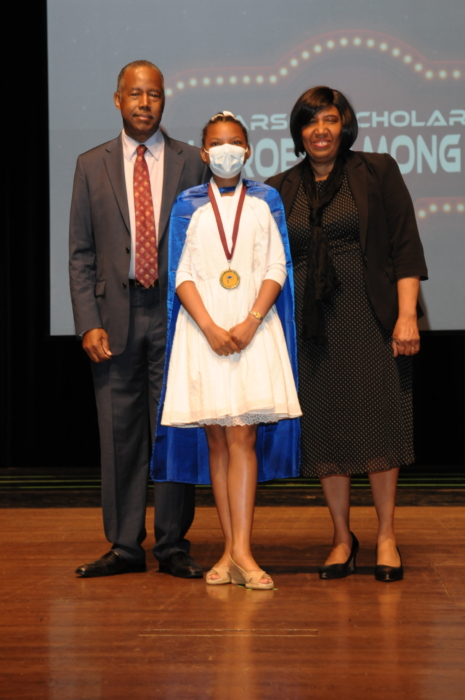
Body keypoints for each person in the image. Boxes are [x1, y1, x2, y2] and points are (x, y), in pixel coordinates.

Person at [266, 87, 428, 582]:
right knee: (327, 430)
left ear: (345, 126)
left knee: (380, 423)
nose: (321, 130)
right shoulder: (279, 187)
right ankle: (341, 537)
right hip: (310, 327)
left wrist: (406, 316)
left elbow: (405, 246)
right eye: (311, 121)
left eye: (330, 120)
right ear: (299, 131)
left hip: (373, 318)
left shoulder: (377, 171)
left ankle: (386, 535)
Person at [69, 60, 208, 579]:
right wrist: (88, 321)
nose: (145, 103)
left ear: (164, 100)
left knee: (175, 431)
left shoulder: (192, 162)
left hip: (177, 316)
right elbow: (81, 253)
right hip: (114, 319)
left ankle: (173, 544)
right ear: (118, 99)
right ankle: (125, 545)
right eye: (135, 93)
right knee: (119, 434)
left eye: (154, 94)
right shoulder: (91, 164)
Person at [151, 112, 301, 589]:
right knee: (217, 441)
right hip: (206, 334)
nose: (226, 151)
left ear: (248, 150)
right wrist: (211, 327)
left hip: (252, 331)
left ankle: (243, 552)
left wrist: (251, 320)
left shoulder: (264, 203)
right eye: (217, 144)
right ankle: (229, 550)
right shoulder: (190, 205)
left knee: (243, 440)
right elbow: (182, 274)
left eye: (235, 142)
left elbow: (277, 266)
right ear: (204, 152)